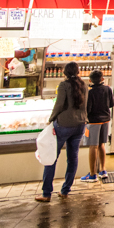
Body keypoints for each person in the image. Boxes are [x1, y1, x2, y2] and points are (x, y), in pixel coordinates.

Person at [36, 61, 87, 202]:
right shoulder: (84, 85)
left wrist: (51, 119)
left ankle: (46, 194)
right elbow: (85, 105)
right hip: (80, 124)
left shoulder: (64, 85)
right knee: (72, 158)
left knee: (51, 157)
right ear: (78, 72)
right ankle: (65, 191)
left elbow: (59, 105)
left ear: (65, 72)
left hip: (63, 125)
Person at [80, 70, 114, 182]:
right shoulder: (108, 89)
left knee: (93, 146)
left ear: (90, 80)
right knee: (101, 145)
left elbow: (88, 109)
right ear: (103, 79)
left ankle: (92, 174)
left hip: (93, 121)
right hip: (105, 120)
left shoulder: (90, 93)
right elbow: (111, 104)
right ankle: (103, 170)